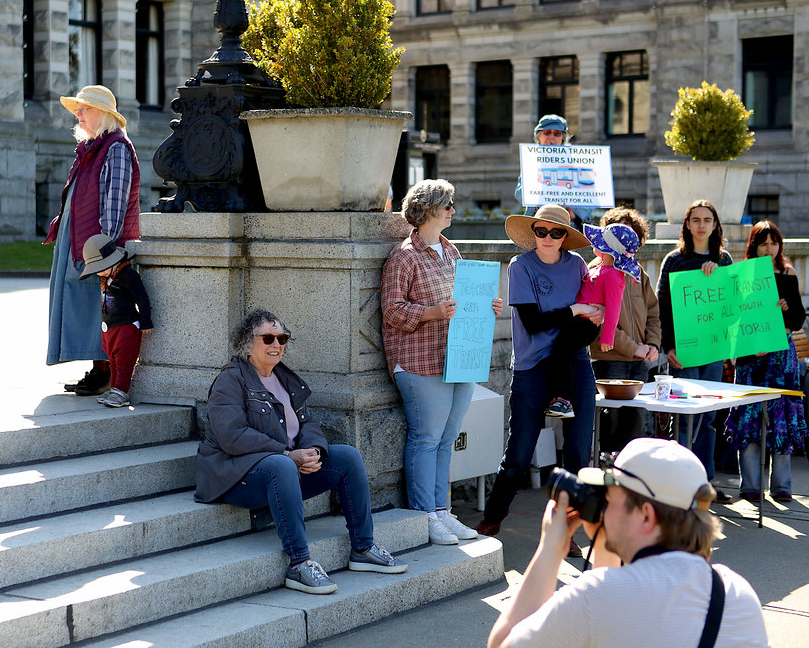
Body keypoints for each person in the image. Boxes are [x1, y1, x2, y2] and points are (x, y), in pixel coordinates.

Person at [195, 309, 408, 594]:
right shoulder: (231, 380)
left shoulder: (284, 378)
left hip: (284, 471)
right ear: (248, 342)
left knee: (347, 457)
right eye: (268, 338)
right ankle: (299, 563)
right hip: (235, 476)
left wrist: (313, 451)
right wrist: (287, 454)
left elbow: (308, 423)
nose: (276, 345)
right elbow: (232, 436)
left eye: (282, 338)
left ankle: (363, 548)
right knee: (281, 467)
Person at [488, 438, 770, 648]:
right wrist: (604, 541)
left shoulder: (593, 598)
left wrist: (550, 548)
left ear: (645, 516)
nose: (603, 509)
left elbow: (502, 643)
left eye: (609, 499)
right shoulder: (737, 592)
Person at [381, 179, 503, 545]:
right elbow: (391, 310)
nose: (453, 210)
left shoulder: (451, 251)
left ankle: (442, 511)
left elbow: (464, 303)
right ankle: (425, 516)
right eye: (447, 204)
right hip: (419, 362)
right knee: (427, 437)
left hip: (458, 358)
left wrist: (488, 307)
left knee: (447, 438)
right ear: (428, 209)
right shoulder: (404, 255)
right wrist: (433, 311)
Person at [475, 204, 604, 545]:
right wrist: (576, 309)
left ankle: (567, 533)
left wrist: (600, 311)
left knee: (578, 454)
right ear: (533, 232)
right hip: (533, 366)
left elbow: (598, 305)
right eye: (541, 231)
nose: (547, 237)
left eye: (556, 232)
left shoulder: (577, 265)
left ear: (566, 237)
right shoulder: (520, 265)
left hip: (575, 362)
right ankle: (491, 519)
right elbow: (533, 323)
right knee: (518, 455)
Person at [45, 85, 142, 397]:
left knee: (100, 309)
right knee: (88, 307)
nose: (79, 114)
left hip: (99, 247)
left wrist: (106, 251)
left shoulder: (115, 148)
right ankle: (98, 370)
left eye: (85, 108)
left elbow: (114, 204)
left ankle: (107, 373)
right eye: (78, 108)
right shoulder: (92, 147)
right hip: (81, 241)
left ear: (105, 114)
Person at [724, 221, 807, 504]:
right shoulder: (741, 274)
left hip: (781, 356)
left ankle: (782, 485)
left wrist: (788, 306)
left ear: (780, 246)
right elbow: (731, 318)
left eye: (774, 243)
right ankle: (750, 485)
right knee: (750, 417)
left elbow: (797, 320)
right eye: (764, 243)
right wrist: (747, 348)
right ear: (754, 246)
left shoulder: (788, 272)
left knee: (781, 416)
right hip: (750, 356)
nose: (769, 249)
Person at [656, 200, 733, 502]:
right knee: (686, 418)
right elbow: (663, 307)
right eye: (696, 219)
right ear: (687, 224)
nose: (701, 225)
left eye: (707, 219)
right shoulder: (674, 260)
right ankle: (680, 483)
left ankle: (705, 485)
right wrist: (668, 347)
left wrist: (718, 279)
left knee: (709, 419)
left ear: (715, 225)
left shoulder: (724, 260)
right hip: (684, 352)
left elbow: (732, 309)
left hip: (713, 351)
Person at [543, 222, 642, 419]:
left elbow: (614, 307)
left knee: (561, 354)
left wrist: (608, 338)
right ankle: (561, 398)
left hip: (586, 324)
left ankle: (563, 399)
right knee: (561, 354)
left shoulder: (614, 275)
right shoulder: (601, 269)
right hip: (580, 320)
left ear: (610, 250)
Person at [589, 208, 661, 453]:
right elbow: (598, 319)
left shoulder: (637, 271)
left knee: (635, 424)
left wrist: (653, 345)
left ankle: (630, 478)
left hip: (638, 361)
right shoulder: (597, 270)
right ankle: (609, 481)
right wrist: (635, 348)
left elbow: (653, 310)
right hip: (610, 360)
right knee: (611, 425)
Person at [77, 233, 153, 409]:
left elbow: (142, 298)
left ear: (113, 261)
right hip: (109, 326)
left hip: (126, 326)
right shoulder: (106, 276)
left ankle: (122, 391)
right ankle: (114, 388)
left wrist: (146, 320)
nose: (99, 272)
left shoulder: (127, 275)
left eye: (101, 267)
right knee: (112, 358)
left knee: (124, 359)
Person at [514, 114, 596, 230]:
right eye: (547, 132)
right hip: (538, 221)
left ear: (563, 137)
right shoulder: (532, 160)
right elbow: (519, 193)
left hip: (570, 224)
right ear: (539, 136)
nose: (551, 137)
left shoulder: (578, 159)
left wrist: (573, 212)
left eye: (556, 133)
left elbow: (590, 194)